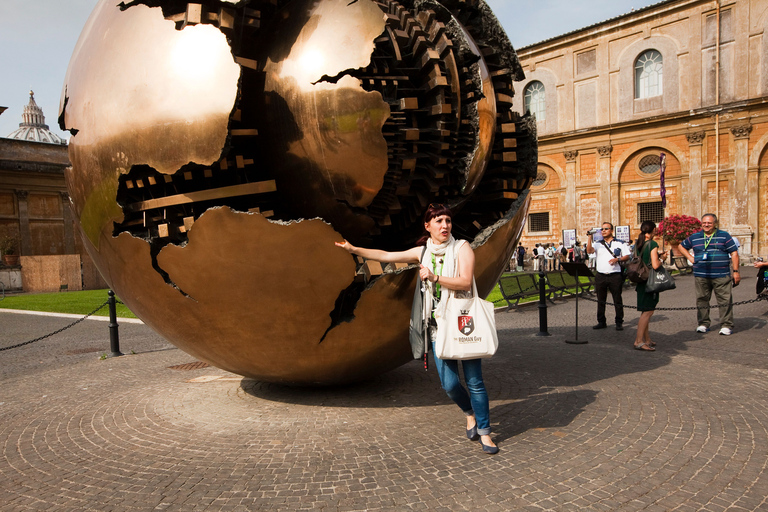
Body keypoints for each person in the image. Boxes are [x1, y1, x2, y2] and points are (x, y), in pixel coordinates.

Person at [334, 204, 499, 454]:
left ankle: (486, 433)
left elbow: (465, 281)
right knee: (450, 385)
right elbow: (386, 255)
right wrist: (354, 249)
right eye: (439, 221)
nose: (445, 226)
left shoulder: (462, 248)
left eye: (448, 221)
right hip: (437, 326)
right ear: (428, 225)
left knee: (475, 382)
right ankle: (469, 413)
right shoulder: (421, 252)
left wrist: (435, 278)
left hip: (463, 323)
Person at [676, 213, 740, 335]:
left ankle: (726, 325)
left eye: (709, 223)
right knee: (702, 299)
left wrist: (736, 271)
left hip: (721, 274)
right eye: (704, 222)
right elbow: (681, 246)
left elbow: (734, 253)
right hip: (701, 274)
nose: (706, 225)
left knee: (724, 300)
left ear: (715, 224)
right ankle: (703, 323)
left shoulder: (724, 236)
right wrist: (690, 257)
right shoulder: (695, 237)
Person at [587, 222, 630, 331]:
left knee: (617, 299)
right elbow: (589, 251)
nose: (603, 231)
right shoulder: (597, 244)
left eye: (606, 229)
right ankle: (601, 321)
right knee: (601, 299)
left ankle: (619, 322)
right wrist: (589, 238)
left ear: (611, 230)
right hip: (601, 275)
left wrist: (617, 259)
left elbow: (627, 256)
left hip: (615, 275)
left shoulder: (619, 243)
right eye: (602, 229)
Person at [632, 221, 668, 351]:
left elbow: (644, 259)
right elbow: (655, 265)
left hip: (641, 280)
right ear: (653, 230)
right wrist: (662, 258)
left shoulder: (639, 243)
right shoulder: (652, 243)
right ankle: (638, 341)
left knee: (645, 311)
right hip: (649, 281)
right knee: (648, 312)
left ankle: (647, 339)